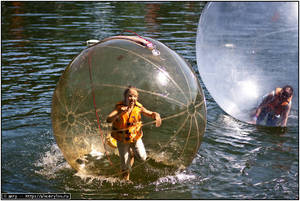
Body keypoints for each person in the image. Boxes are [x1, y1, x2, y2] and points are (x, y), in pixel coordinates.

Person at [106, 86, 162, 181]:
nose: (132, 98)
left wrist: (156, 115)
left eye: (135, 96)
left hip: (135, 138)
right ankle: (126, 182)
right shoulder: (119, 108)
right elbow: (108, 119)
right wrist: (119, 112)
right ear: (125, 97)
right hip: (122, 140)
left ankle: (132, 155)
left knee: (142, 157)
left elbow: (149, 113)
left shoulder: (138, 107)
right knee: (124, 167)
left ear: (137, 98)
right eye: (130, 96)